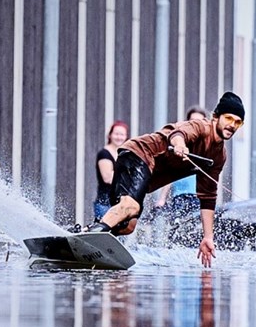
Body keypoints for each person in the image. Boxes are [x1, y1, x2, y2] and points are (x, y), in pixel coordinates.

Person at [87, 91, 245, 268]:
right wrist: (180, 145)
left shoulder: (219, 156)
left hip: (145, 173)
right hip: (138, 154)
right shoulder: (201, 127)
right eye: (229, 118)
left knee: (128, 225)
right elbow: (179, 133)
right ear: (216, 117)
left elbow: (208, 198)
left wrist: (208, 237)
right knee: (130, 206)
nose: (232, 125)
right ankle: (91, 237)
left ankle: (87, 235)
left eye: (238, 122)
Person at [154, 106, 206, 223]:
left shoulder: (204, 146)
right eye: (192, 121)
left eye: (199, 121)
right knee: (176, 228)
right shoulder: (180, 142)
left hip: (197, 197)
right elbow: (170, 174)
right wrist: (162, 198)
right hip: (179, 197)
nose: (195, 124)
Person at [93, 121, 129, 221]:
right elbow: (107, 178)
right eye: (116, 134)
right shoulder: (104, 154)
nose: (119, 137)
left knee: (119, 236)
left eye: (122, 134)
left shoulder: (124, 154)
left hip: (121, 203)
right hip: (105, 203)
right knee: (104, 234)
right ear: (110, 135)